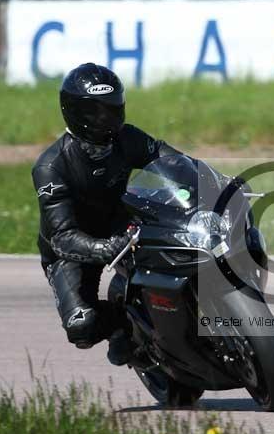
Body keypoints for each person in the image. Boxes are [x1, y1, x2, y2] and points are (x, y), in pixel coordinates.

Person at [32, 63, 179, 365]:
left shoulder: (127, 138)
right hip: (72, 249)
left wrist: (213, 182)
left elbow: (169, 159)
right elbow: (61, 236)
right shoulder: (51, 166)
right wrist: (102, 248)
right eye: (95, 111)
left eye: (111, 109)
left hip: (123, 223)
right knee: (81, 327)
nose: (105, 118)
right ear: (73, 111)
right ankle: (123, 327)